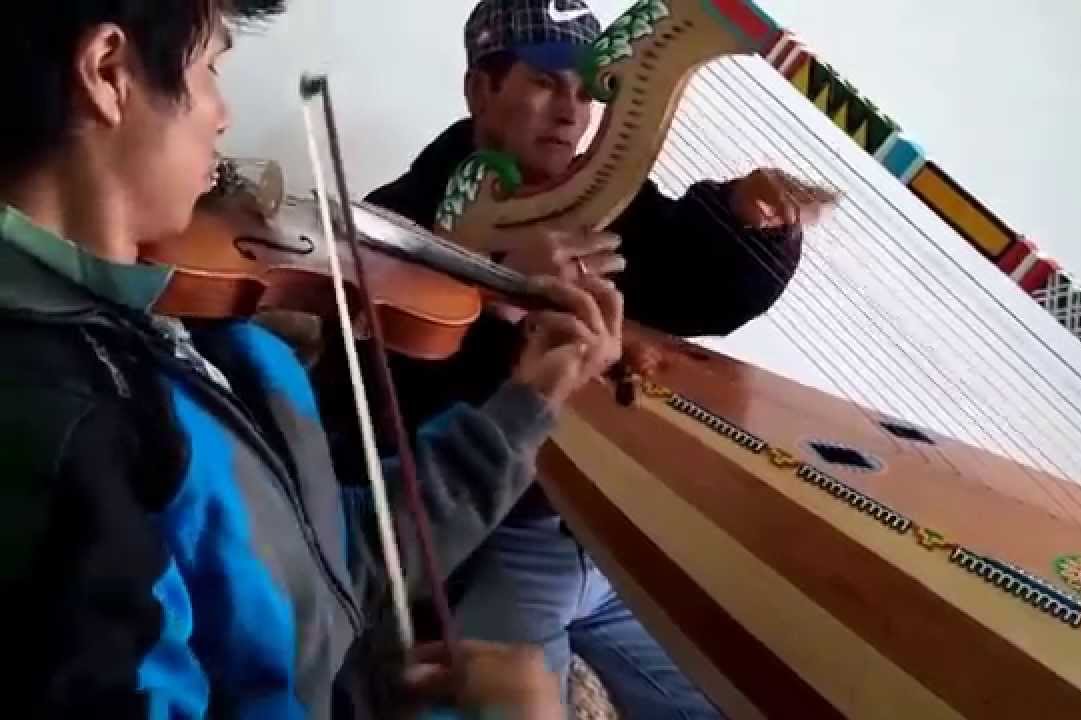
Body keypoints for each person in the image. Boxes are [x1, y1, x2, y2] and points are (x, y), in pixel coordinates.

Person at [0, 1, 624, 718]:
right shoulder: (64, 436)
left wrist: (530, 403)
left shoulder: (214, 336)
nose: (224, 115)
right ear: (109, 74)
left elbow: (336, 560)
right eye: (213, 69)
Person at [318, 1, 834, 716]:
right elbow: (358, 419)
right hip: (504, 537)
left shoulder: (607, 197)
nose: (571, 110)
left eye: (586, 90)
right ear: (480, 91)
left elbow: (696, 287)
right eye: (544, 82)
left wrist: (749, 224)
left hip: (607, 533)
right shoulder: (394, 220)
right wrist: (487, 285)